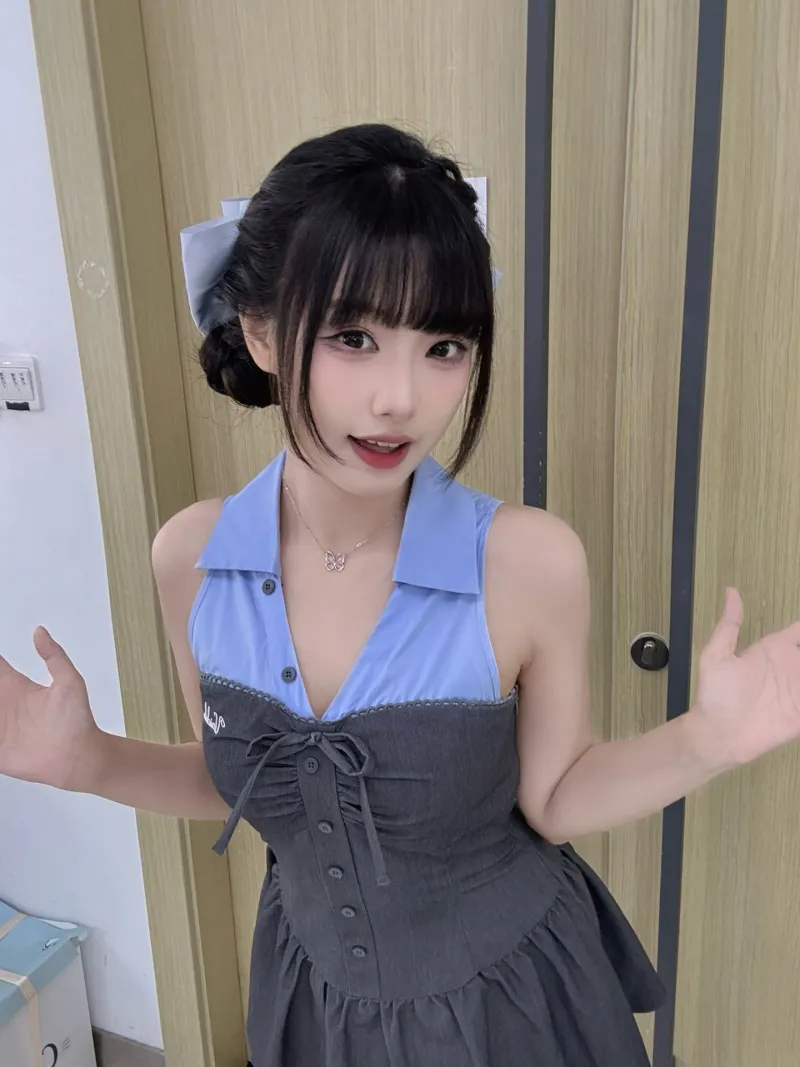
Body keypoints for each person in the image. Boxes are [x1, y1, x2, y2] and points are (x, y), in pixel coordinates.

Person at [2, 123, 800, 1067]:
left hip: (515, 1005)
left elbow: (555, 797)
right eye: (354, 337)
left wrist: (708, 739)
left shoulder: (529, 562)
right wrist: (87, 759)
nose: (402, 398)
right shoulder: (192, 556)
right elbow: (235, 784)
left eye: (444, 346)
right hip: (314, 1006)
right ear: (260, 332)